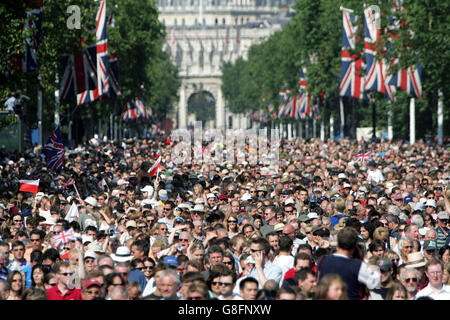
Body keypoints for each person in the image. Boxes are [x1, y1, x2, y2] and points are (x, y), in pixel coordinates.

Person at [317, 227, 380, 300]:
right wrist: (365, 259)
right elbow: (375, 282)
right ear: (354, 246)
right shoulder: (357, 265)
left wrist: (332, 244)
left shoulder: (323, 260)